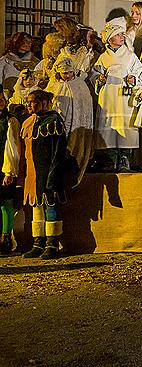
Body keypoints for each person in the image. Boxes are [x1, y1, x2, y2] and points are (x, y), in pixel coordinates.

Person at [20, 89, 70, 260]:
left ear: (44, 102)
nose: (30, 105)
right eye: (28, 102)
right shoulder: (28, 123)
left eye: (33, 102)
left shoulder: (54, 121)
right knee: (36, 207)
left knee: (50, 206)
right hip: (33, 174)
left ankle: (52, 243)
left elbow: (59, 151)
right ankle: (37, 243)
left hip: (48, 171)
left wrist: (54, 175)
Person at [92, 17, 142, 172]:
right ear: (110, 38)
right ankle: (110, 158)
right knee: (110, 126)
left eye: (122, 34)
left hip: (124, 96)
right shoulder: (103, 57)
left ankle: (125, 158)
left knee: (125, 126)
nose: (122, 37)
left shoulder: (130, 56)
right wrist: (99, 78)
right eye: (118, 34)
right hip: (108, 97)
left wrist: (133, 78)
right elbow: (94, 74)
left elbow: (138, 71)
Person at [46, 58, 93, 183]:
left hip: (75, 125)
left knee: (73, 148)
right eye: (64, 73)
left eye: (70, 73)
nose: (67, 75)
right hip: (58, 126)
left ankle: (72, 174)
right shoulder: (53, 85)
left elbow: (85, 107)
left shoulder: (80, 85)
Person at [0, 92, 21, 254]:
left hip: (4, 166)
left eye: (1, 98)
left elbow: (13, 147)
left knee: (6, 202)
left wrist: (10, 171)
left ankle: (6, 238)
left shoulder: (10, 121)